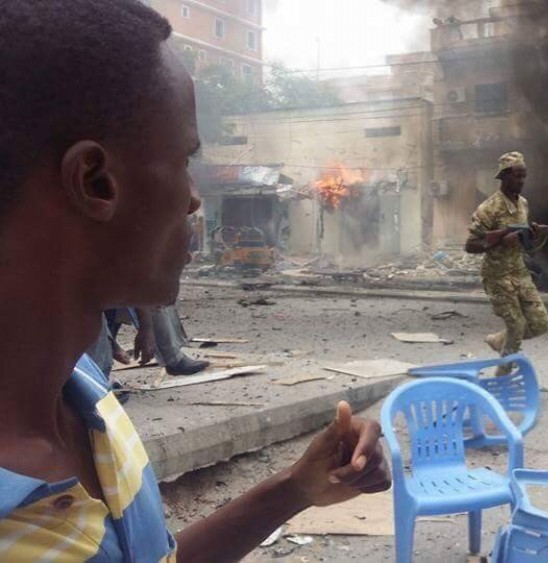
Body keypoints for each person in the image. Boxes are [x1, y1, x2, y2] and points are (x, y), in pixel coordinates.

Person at [0, 2, 390, 560]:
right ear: (95, 180)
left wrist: (295, 488)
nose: (194, 198)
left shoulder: (84, 394)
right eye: (183, 159)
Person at [465, 152, 548, 375]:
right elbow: (471, 245)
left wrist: (535, 235)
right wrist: (501, 240)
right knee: (517, 326)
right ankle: (503, 376)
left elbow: (528, 247)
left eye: (524, 176)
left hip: (519, 271)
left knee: (541, 323)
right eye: (517, 176)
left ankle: (498, 340)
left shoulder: (523, 204)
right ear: (504, 177)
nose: (521, 181)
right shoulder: (489, 208)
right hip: (497, 275)